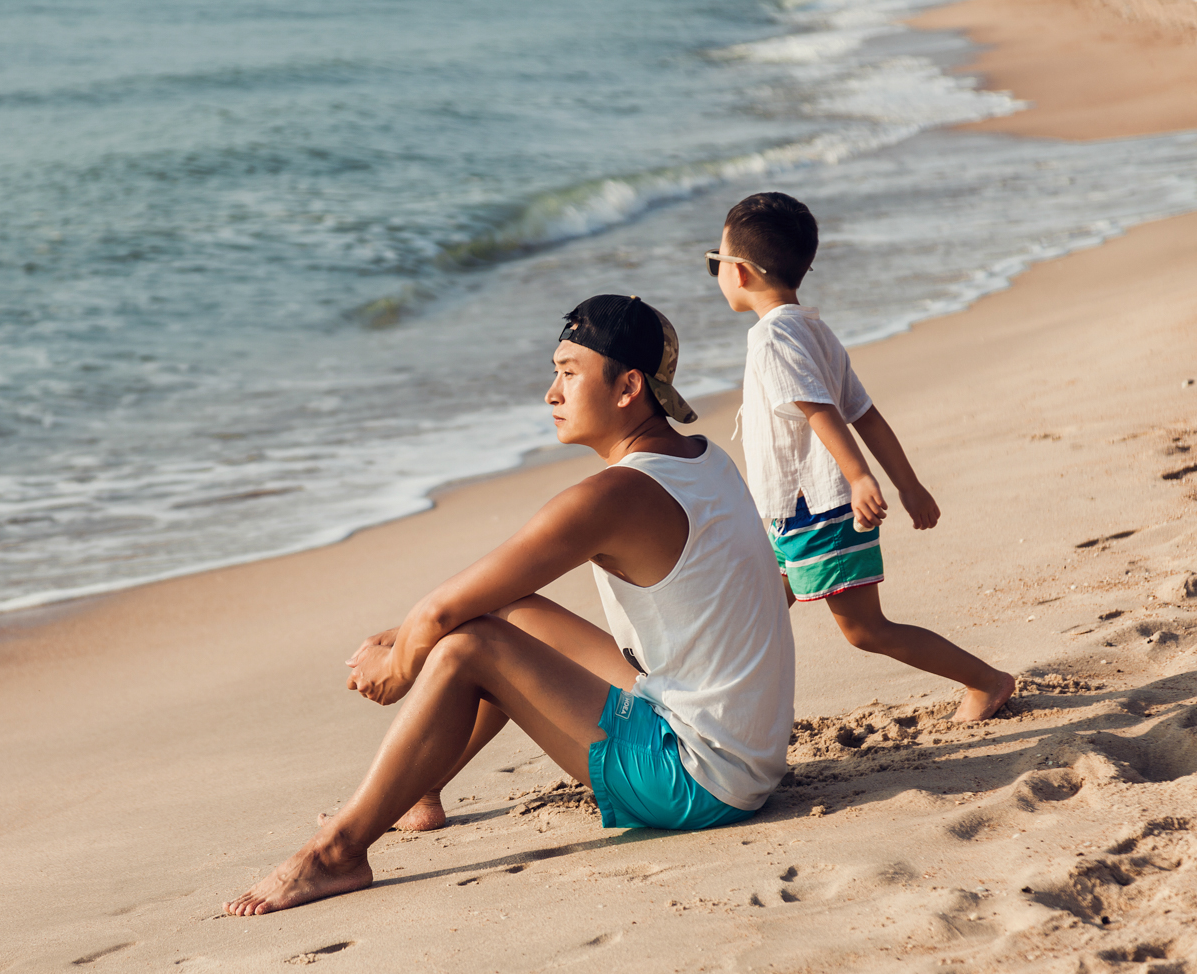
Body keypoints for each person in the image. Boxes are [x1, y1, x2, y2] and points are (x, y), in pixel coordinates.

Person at [223, 294, 795, 916]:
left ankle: (338, 852)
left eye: (569, 373)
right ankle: (422, 787)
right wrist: (404, 632)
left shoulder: (613, 496)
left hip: (699, 781)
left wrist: (402, 663)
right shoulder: (703, 458)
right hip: (741, 749)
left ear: (629, 386)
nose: (551, 393)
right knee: (508, 613)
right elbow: (480, 597)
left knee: (469, 648)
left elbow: (446, 619)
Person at [708, 192, 1016, 723]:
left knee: (864, 630)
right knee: (756, 609)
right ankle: (722, 713)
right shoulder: (811, 328)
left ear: (739, 272)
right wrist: (908, 484)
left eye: (714, 261)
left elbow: (822, 411)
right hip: (792, 510)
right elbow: (866, 414)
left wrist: (858, 477)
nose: (715, 272)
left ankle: (987, 681)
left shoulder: (772, 337)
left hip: (820, 511)